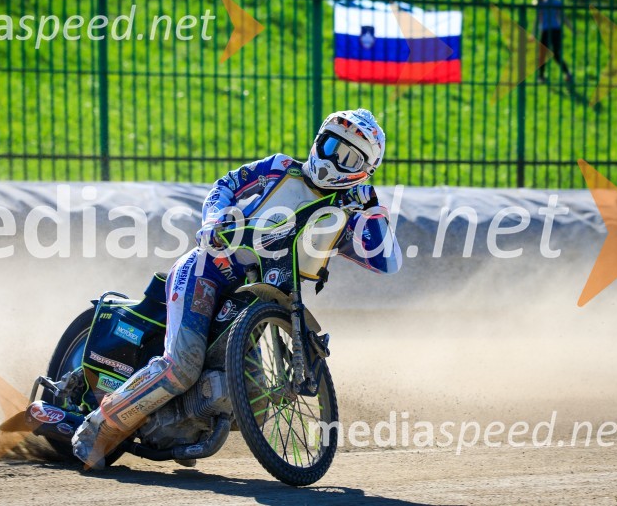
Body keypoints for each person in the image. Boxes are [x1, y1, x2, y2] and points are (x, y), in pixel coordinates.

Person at [72, 109, 402, 468]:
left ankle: (184, 426)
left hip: (258, 300)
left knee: (256, 403)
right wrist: (215, 219)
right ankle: (97, 428)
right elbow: (227, 184)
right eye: (331, 145)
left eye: (349, 157)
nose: (334, 159)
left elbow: (387, 260)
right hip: (209, 271)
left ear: (364, 170)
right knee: (182, 366)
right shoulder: (281, 167)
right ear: (317, 141)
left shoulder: (348, 211)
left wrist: (373, 208)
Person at [535, 0, 573, 83]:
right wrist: (571, 28)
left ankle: (541, 77)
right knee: (556, 54)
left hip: (546, 30)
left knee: (542, 54)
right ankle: (567, 73)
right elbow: (563, 17)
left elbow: (538, 19)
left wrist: (534, 31)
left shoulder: (541, 3)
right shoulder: (557, 3)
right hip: (556, 30)